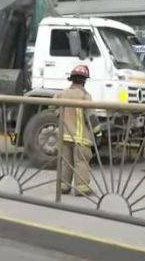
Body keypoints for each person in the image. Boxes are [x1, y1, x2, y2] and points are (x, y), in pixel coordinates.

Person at [58, 65, 95, 197]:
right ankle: (82, 188)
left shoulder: (62, 94)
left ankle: (63, 187)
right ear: (84, 80)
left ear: (72, 79)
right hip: (80, 137)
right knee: (81, 161)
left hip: (64, 135)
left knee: (65, 162)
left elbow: (55, 110)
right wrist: (97, 132)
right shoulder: (85, 96)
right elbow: (90, 117)